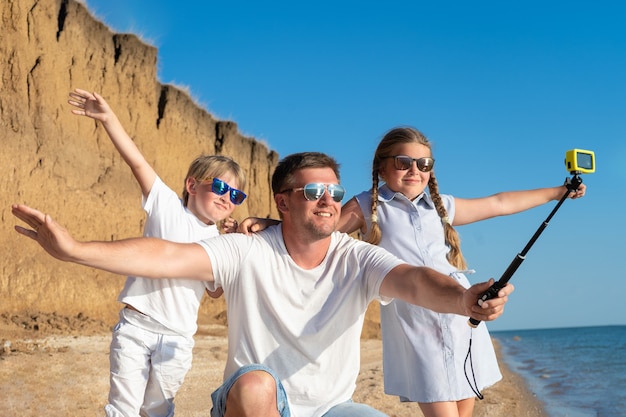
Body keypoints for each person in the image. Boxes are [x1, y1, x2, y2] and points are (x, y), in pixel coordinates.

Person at [12, 151, 513, 417]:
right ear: (283, 201)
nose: (328, 200)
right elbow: (168, 254)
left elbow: (415, 280)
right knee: (256, 385)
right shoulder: (247, 250)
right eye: (313, 191)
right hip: (250, 404)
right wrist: (75, 250)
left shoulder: (356, 257)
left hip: (331, 409)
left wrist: (464, 297)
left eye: (335, 192)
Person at [335, 126, 586, 417]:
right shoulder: (365, 205)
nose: (414, 170)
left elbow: (499, 203)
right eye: (403, 162)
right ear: (382, 167)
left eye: (424, 164)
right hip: (414, 320)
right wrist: (270, 226)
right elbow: (316, 233)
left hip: (462, 315)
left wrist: (558, 192)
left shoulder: (442, 207)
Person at [67, 89, 246, 417]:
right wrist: (108, 119)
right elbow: (136, 161)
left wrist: (234, 250)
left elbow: (216, 291)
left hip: (177, 339)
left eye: (237, 195)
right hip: (136, 326)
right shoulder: (167, 206)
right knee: (121, 408)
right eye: (220, 187)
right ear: (192, 186)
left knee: (158, 410)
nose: (227, 197)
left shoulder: (220, 243)